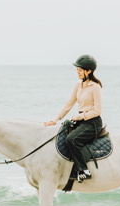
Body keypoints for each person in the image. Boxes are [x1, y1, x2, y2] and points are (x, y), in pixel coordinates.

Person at [44, 55, 103, 183]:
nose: (78, 73)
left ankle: (83, 170)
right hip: (81, 121)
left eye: (80, 70)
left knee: (72, 139)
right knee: (61, 134)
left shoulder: (95, 87)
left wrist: (80, 116)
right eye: (77, 70)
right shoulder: (78, 85)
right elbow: (68, 104)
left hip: (92, 122)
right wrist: (54, 119)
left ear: (89, 71)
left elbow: (97, 111)